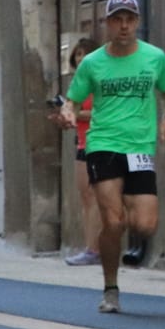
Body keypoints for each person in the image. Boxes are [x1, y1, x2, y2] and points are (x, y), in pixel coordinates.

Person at [58, 0, 165, 315]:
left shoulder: (155, 58)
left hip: (139, 147)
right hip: (103, 144)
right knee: (113, 222)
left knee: (145, 225)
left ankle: (124, 202)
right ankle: (111, 289)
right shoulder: (92, 63)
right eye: (117, 19)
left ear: (136, 22)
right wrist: (69, 113)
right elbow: (73, 99)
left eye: (129, 19)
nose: (124, 25)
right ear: (108, 23)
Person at [57, 39, 101, 267]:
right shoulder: (79, 83)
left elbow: (101, 112)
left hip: (102, 144)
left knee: (98, 198)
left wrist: (75, 113)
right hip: (83, 144)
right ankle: (91, 247)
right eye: (78, 55)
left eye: (84, 54)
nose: (80, 58)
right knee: (86, 198)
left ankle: (96, 249)